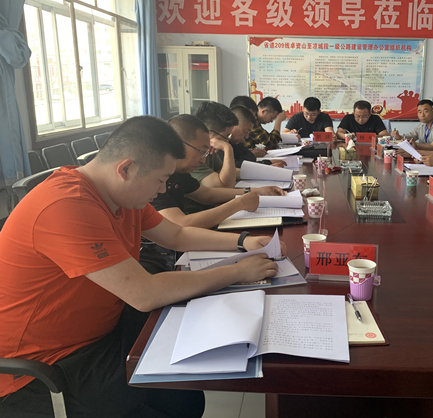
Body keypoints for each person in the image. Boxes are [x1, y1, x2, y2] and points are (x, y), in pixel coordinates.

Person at [0, 115, 284, 417]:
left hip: (102, 332)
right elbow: (144, 293)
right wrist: (237, 272)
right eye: (160, 180)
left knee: (185, 399)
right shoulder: (65, 205)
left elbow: (176, 235)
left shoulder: (121, 196)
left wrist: (242, 241)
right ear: (126, 169)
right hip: (43, 369)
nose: (162, 191)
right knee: (171, 402)